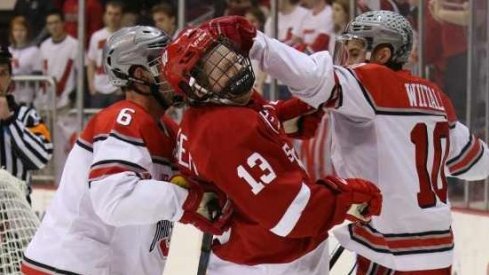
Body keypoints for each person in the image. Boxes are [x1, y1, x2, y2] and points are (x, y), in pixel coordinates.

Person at [212, 11, 489, 274]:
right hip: (439, 248)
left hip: (390, 248)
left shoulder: (373, 81)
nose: (347, 60)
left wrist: (256, 42)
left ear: (382, 54)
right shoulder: (436, 98)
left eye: (355, 52)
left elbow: (311, 77)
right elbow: (478, 165)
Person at [162, 25, 383, 275]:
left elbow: (260, 115)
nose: (236, 68)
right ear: (199, 86)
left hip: (267, 255)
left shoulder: (219, 107)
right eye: (223, 69)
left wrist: (300, 108)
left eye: (232, 58)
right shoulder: (225, 129)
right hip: (269, 263)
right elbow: (291, 213)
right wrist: (350, 196)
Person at [21, 26, 231, 275]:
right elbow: (115, 200)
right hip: (66, 266)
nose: (178, 71)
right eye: (166, 63)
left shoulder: (168, 130)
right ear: (141, 75)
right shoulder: (124, 118)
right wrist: (189, 200)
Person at [0, 46, 52, 204]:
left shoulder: (28, 116)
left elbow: (40, 159)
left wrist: (9, 121)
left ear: (10, 77)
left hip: (17, 212)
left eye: (2, 73)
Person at [39, 9, 79, 184]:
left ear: (63, 23)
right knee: (49, 146)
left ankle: (68, 181)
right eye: (50, 23)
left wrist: (74, 95)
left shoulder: (74, 44)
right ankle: (51, 181)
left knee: (67, 147)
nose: (53, 26)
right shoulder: (44, 46)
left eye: (56, 22)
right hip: (47, 104)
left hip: (66, 105)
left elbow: (80, 73)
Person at [87, 1, 125, 108]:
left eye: (116, 14)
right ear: (105, 15)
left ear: (121, 16)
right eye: (110, 13)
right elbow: (91, 63)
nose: (113, 17)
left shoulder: (127, 37)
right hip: (98, 89)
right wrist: (92, 86)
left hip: (117, 90)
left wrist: (123, 87)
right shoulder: (96, 36)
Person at [8, 16, 43, 106]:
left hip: (27, 99)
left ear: (27, 31)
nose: (18, 34)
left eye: (22, 30)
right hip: (9, 98)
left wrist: (17, 78)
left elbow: (38, 76)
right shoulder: (7, 51)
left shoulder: (34, 51)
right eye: (15, 30)